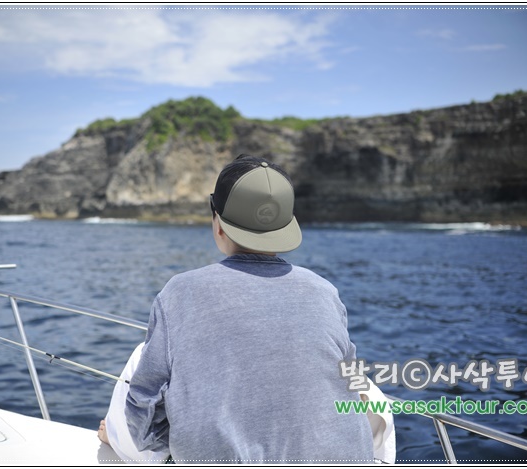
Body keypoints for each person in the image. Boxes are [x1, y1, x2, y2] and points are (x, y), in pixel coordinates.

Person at [118, 154, 375, 463]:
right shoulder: (325, 291)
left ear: (218, 222)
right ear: (287, 225)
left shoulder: (179, 292)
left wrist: (176, 447)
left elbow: (143, 409)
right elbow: (351, 382)